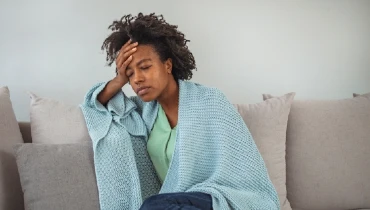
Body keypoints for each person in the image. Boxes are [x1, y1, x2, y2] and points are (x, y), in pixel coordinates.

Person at [81, 13, 280, 210]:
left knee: (152, 206)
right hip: (173, 205)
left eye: (145, 67)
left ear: (167, 65)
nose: (137, 79)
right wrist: (119, 79)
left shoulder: (210, 101)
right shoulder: (143, 113)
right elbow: (96, 105)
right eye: (130, 74)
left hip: (220, 199)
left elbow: (244, 171)